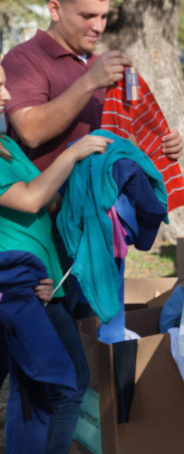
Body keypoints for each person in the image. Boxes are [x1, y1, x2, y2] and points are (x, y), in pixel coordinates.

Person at [0, 64, 112, 453]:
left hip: (39, 286)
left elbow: (48, 200)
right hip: (18, 293)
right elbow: (29, 197)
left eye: (3, 83)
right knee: (65, 385)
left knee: (38, 392)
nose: (6, 97)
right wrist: (74, 152)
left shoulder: (6, 144)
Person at [0, 0, 181, 172]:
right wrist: (90, 82)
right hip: (52, 202)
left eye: (103, 16)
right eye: (88, 16)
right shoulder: (23, 59)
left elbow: (125, 137)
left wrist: (160, 146)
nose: (98, 27)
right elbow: (31, 132)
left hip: (108, 199)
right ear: (55, 10)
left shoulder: (104, 66)